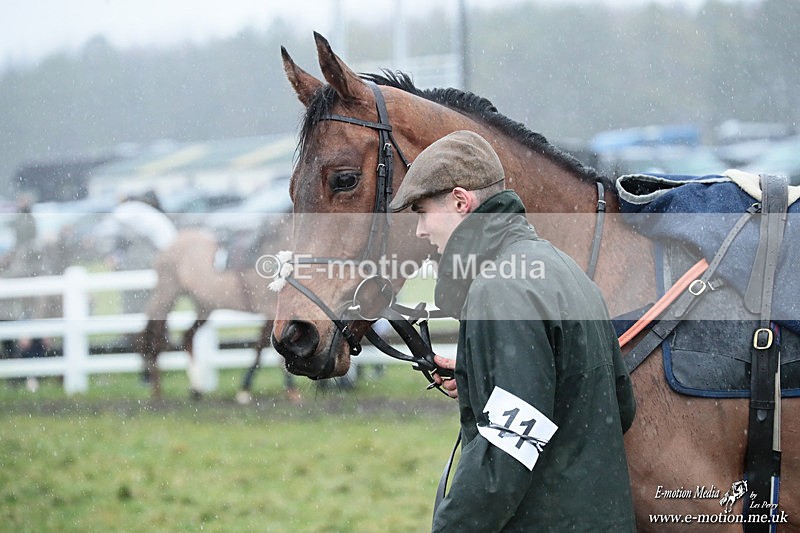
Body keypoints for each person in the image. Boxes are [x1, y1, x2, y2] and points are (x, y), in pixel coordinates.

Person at [388, 130, 637, 532]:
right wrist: (480, 375)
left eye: (421, 211)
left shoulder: (498, 287)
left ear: (459, 201)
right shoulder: (560, 267)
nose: (419, 230)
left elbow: (503, 456)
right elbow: (619, 405)